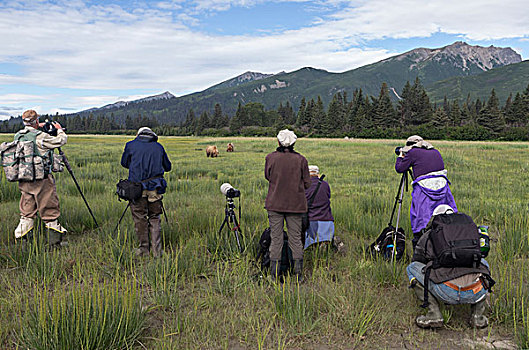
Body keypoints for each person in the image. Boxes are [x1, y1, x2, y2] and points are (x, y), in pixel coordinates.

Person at [407, 205, 493, 329]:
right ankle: (477, 317)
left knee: (412, 268)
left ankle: (434, 313)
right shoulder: (470, 231)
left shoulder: (430, 234)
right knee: (483, 264)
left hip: (447, 292)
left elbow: (418, 260)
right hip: (476, 291)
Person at [14, 110, 68, 246]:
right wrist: (59, 130)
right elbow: (61, 141)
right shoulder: (41, 137)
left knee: (27, 210)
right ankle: (54, 243)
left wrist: (37, 126)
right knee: (49, 209)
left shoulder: (18, 135)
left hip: (24, 178)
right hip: (41, 179)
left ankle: (23, 244)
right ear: (36, 121)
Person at [265, 129, 311, 281]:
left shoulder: (270, 157)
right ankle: (297, 275)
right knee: (295, 239)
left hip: (275, 204)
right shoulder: (301, 160)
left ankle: (274, 275)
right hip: (295, 206)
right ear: (294, 143)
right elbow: (307, 184)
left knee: (276, 238)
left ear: (278, 142)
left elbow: (268, 176)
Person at [395, 135, 457, 247]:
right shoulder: (435, 152)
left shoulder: (413, 153)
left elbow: (399, 168)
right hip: (443, 187)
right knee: (443, 215)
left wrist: (401, 156)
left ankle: (420, 245)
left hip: (424, 190)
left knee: (421, 217)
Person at [121, 127, 171, 257]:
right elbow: (168, 167)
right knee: (155, 217)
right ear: (152, 135)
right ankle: (157, 251)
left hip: (136, 190)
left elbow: (124, 163)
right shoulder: (159, 147)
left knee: (139, 218)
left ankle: (143, 249)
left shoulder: (130, 145)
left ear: (138, 135)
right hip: (155, 189)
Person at [304, 165, 334, 249]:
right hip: (328, 223)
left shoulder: (304, 185)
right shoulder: (325, 185)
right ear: (318, 174)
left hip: (312, 224)